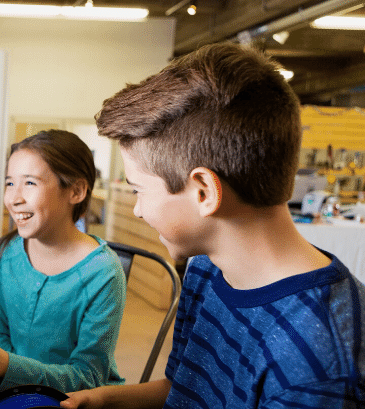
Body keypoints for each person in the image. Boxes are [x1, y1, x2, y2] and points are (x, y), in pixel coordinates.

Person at [61, 43, 365, 409]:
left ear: (204, 191)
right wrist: (103, 399)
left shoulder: (318, 365)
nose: (138, 210)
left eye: (140, 190)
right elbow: (182, 389)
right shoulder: (206, 267)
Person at [0, 130, 127, 408]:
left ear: (76, 191)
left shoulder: (103, 272)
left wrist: (10, 366)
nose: (13, 198)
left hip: (74, 400)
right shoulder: (7, 252)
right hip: (12, 391)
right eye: (9, 183)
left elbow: (89, 377)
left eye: (30, 183)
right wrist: (7, 370)